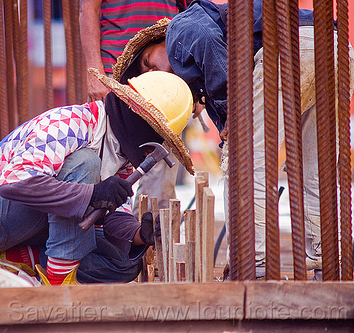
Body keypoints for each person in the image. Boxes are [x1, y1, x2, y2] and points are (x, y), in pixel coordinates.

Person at [114, 0, 354, 279]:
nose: (159, 72)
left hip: (290, 49)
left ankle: (254, 266)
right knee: (316, 170)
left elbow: (205, 39)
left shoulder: (178, 29)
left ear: (153, 42)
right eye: (154, 78)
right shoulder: (200, 77)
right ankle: (330, 264)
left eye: (148, 63)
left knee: (244, 165)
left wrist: (231, 110)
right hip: (336, 49)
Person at [0, 70, 194, 285]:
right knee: (85, 162)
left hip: (33, 226)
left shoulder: (121, 158)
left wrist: (139, 235)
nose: (152, 152)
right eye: (158, 137)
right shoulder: (72, 124)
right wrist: (92, 194)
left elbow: (112, 216)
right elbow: (14, 185)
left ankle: (11, 258)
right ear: (139, 122)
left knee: (123, 264)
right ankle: (59, 283)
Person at [79, 0, 184, 220]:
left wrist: (189, 79)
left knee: (158, 179)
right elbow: (89, 9)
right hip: (114, 74)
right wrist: (94, 72)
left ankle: (147, 244)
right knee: (103, 167)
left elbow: (188, 15)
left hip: (165, 85)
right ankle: (110, 241)